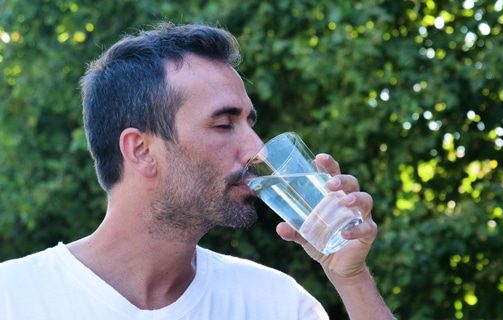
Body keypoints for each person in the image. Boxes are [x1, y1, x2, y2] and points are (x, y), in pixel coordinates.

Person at [0, 23, 394, 319]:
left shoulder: (275, 303)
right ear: (141, 150)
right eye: (224, 125)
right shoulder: (14, 298)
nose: (257, 149)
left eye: (249, 123)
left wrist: (351, 276)